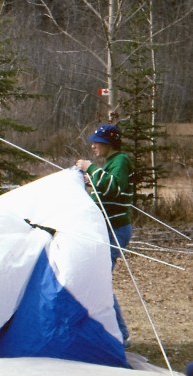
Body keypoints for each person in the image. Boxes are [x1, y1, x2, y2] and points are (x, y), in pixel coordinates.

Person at [76, 124, 134, 346]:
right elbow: (101, 196)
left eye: (96, 141)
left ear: (109, 143)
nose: (92, 145)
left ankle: (120, 334)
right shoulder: (111, 163)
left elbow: (113, 188)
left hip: (116, 230)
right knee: (99, 280)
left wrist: (90, 168)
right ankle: (117, 332)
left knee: (99, 281)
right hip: (107, 229)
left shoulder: (120, 161)